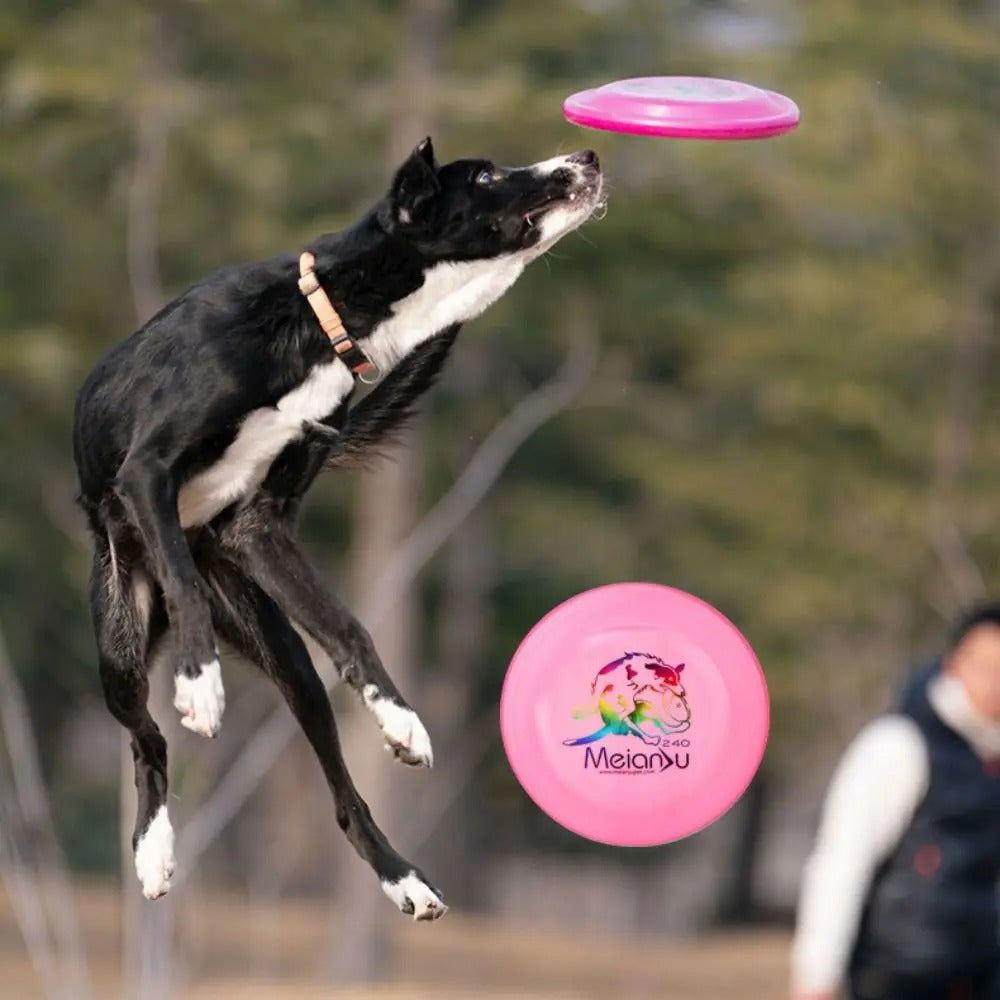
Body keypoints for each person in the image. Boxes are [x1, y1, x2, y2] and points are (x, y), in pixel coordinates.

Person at [790, 603, 1000, 1000]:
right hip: (895, 977)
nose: (995, 682)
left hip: (979, 977)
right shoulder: (898, 744)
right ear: (953, 664)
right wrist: (816, 976)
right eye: (984, 665)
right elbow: (841, 862)